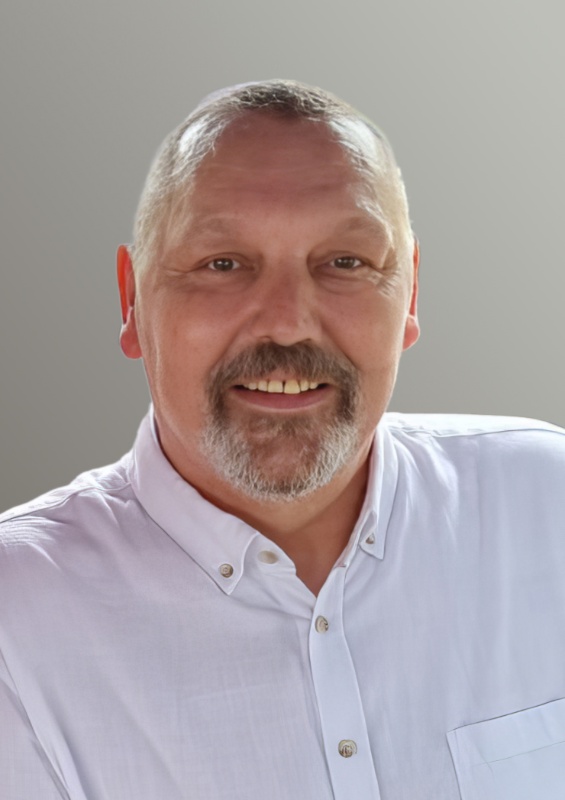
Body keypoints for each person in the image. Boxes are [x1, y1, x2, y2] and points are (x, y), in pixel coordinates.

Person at [1, 79, 565, 800]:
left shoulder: (547, 506)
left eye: (345, 263)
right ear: (132, 299)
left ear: (410, 294)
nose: (288, 323)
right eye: (223, 264)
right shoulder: (16, 622)